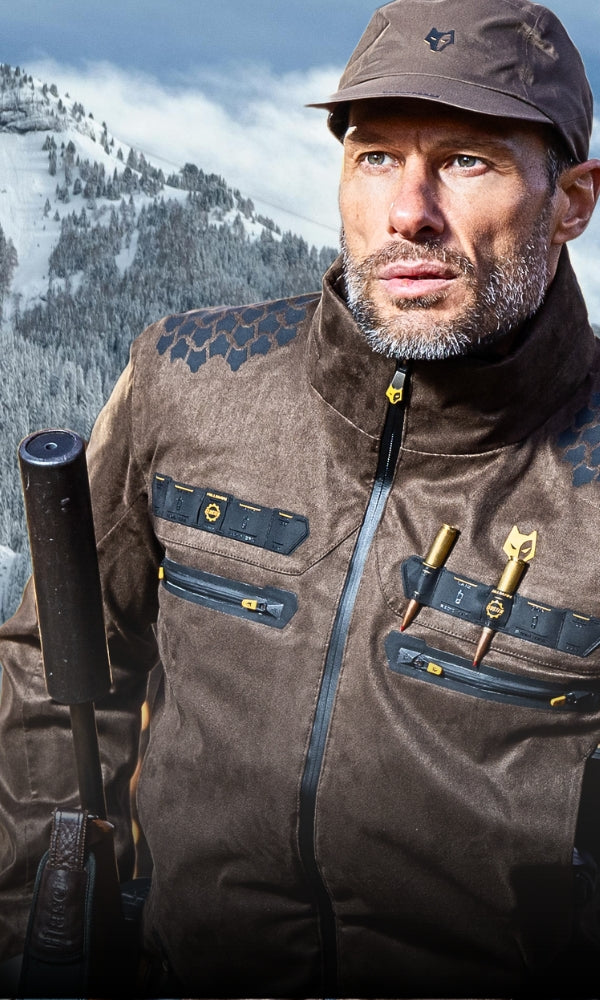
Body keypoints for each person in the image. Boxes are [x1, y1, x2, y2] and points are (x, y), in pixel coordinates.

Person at [2, 0, 600, 995]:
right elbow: (54, 672)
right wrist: (35, 932)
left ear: (573, 199)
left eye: (466, 161)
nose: (409, 210)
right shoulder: (190, 375)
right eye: (374, 157)